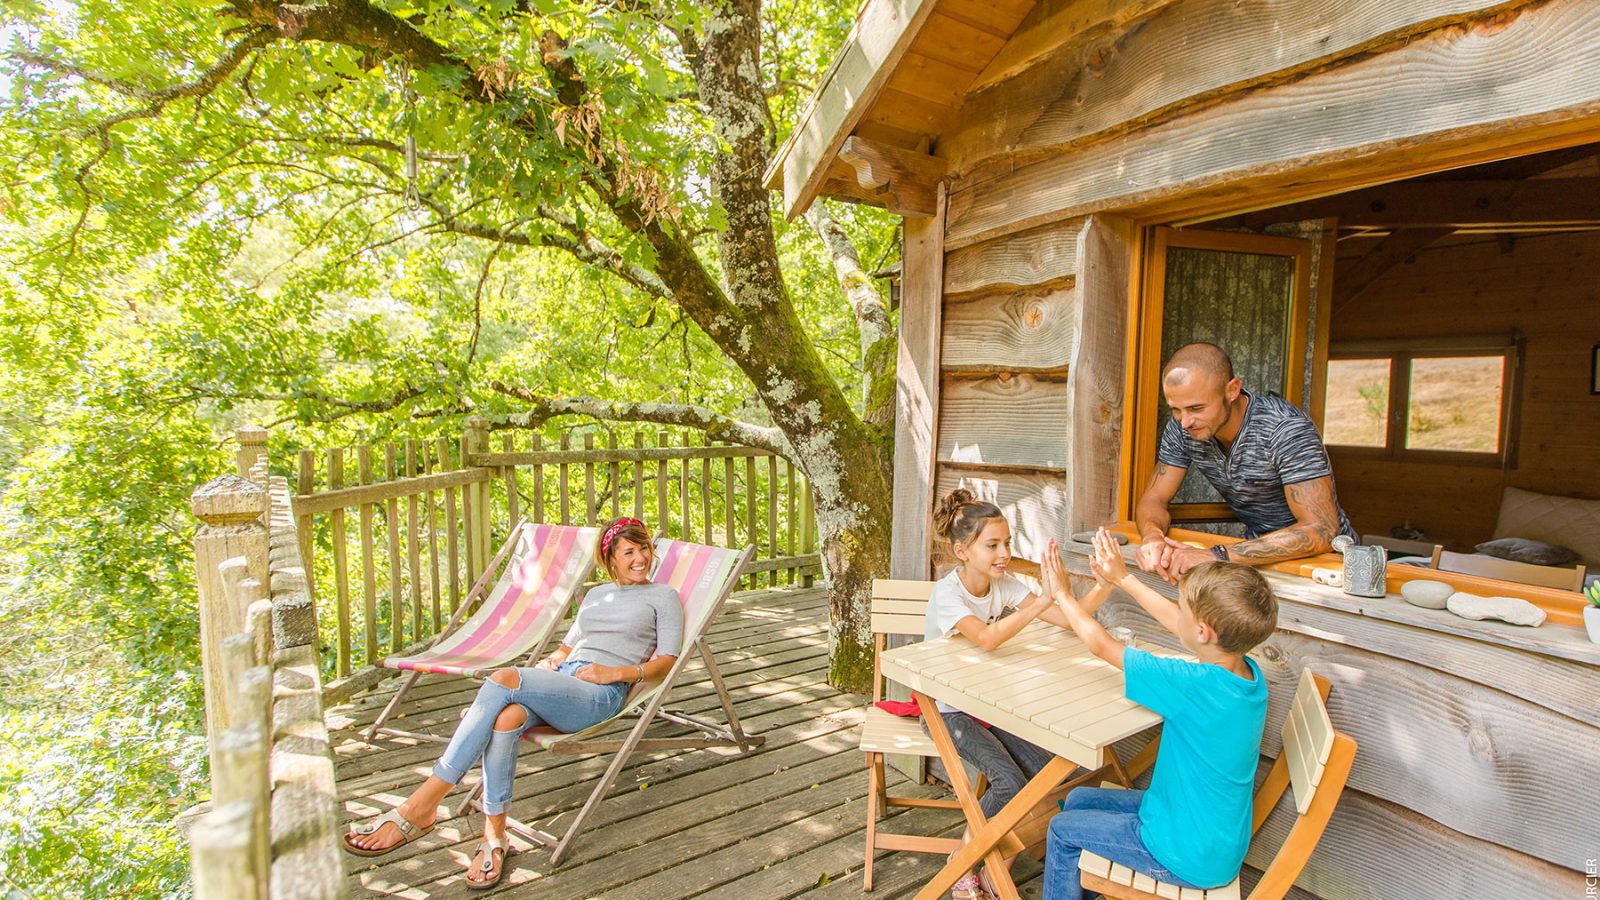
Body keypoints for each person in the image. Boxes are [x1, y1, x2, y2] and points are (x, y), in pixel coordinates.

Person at [342, 516, 682, 890]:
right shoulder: (596, 595)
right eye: (628, 552)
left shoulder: (662, 596)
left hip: (600, 694)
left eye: (644, 548)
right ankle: (494, 836)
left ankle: (421, 805)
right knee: (505, 717)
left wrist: (614, 674)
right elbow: (567, 647)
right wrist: (550, 662)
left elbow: (666, 662)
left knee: (502, 679)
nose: (640, 558)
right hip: (563, 680)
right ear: (610, 560)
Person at [1037, 528, 1276, 900]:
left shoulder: (1191, 685)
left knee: (1062, 829)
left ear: (1203, 630)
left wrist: (1062, 596)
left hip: (1180, 855)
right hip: (1200, 833)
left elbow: (1102, 645)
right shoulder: (1246, 676)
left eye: (1183, 607)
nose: (1176, 614)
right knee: (1082, 799)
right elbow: (1182, 627)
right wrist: (1124, 578)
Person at [926, 488, 1104, 900]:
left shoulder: (1000, 584)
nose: (1004, 552)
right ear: (961, 551)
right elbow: (987, 638)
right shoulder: (948, 594)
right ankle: (963, 864)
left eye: (1006, 542)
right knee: (1008, 784)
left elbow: (1066, 619)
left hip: (989, 708)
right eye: (992, 544)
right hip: (949, 712)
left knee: (1054, 777)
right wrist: (1041, 599)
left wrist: (1108, 584)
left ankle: (992, 867)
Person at [1136, 341, 1356, 583]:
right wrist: (1152, 537)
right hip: (1250, 559)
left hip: (1326, 566)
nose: (1185, 421)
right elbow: (1154, 499)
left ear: (1232, 390)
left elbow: (1321, 530)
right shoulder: (1181, 429)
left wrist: (1216, 554)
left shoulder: (1286, 429)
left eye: (1196, 408)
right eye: (1175, 409)